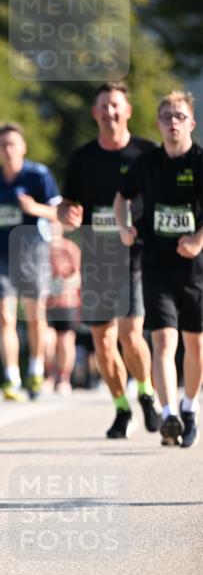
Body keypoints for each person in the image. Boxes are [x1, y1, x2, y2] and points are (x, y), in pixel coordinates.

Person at [58, 82, 160, 439]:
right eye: (103, 106)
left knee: (131, 335)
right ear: (95, 113)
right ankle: (121, 408)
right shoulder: (82, 159)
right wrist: (67, 214)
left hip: (136, 254)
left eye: (115, 106)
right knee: (103, 340)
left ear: (127, 110)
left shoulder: (148, 155)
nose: (109, 112)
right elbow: (65, 204)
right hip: (96, 257)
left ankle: (146, 392)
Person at [115, 91, 203, 448]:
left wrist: (198, 239)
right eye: (166, 116)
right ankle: (168, 415)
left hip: (196, 268)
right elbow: (122, 197)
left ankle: (189, 407)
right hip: (155, 263)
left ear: (191, 123)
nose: (172, 121)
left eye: (179, 116)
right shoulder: (146, 163)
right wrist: (123, 226)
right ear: (157, 123)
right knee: (163, 338)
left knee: (195, 345)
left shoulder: (199, 161)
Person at [0, 122, 60, 401]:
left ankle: (36, 370)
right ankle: (11, 377)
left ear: (23, 147)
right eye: (2, 145)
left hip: (32, 250)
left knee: (35, 316)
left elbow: (58, 213)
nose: (7, 149)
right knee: (3, 316)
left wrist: (34, 208)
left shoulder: (39, 175)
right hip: (1, 252)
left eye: (12, 144)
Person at [46, 220, 81, 394]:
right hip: (46, 305)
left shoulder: (70, 249)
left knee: (65, 341)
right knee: (47, 340)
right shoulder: (41, 250)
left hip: (67, 303)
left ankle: (64, 377)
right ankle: (49, 375)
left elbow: (78, 278)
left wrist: (61, 285)